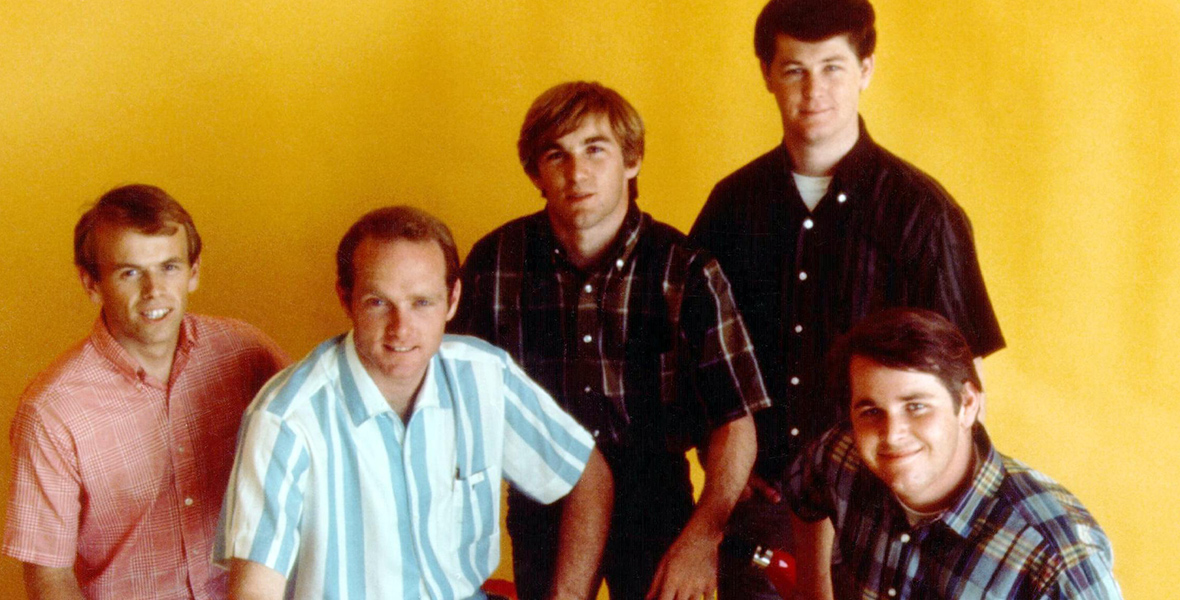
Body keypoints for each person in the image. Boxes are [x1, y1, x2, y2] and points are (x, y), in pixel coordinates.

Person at [687, 1, 1005, 596]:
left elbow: (966, 385)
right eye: (794, 70)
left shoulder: (922, 213)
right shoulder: (732, 207)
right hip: (760, 509)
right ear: (765, 73)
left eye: (833, 67)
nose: (814, 90)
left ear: (866, 70)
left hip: (880, 511)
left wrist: (926, 506)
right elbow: (689, 355)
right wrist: (718, 456)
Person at [455, 81, 768, 600]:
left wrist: (703, 537)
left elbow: (735, 419)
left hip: (656, 497)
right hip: (542, 495)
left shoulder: (685, 270)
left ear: (631, 160)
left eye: (595, 149)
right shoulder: (494, 264)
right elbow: (458, 403)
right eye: (556, 154)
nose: (576, 173)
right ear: (536, 174)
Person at [217, 206, 613, 600]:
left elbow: (587, 476)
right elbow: (254, 592)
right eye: (378, 302)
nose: (401, 329)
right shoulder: (285, 417)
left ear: (453, 299)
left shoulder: (484, 375)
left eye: (422, 302)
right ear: (346, 298)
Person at [3, 184, 289, 599]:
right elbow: (50, 577)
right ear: (92, 283)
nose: (155, 291)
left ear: (194, 272)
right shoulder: (52, 412)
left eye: (169, 267)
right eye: (130, 272)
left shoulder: (246, 352)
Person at [786, 308, 1122, 599]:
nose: (891, 434)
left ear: (968, 405)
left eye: (916, 406)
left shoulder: (1055, 553)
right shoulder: (842, 456)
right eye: (871, 411)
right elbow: (804, 489)